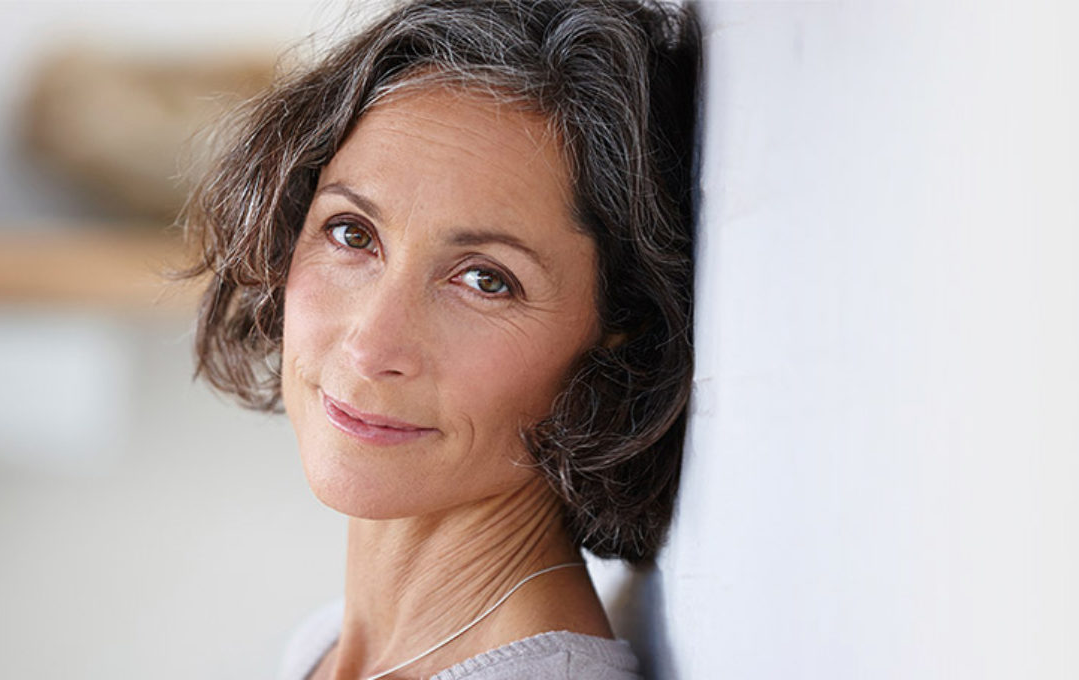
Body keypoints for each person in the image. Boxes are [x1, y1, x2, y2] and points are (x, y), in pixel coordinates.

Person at [176, 1, 698, 677]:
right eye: (352, 233)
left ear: (619, 340)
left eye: (485, 280)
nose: (371, 347)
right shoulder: (331, 647)